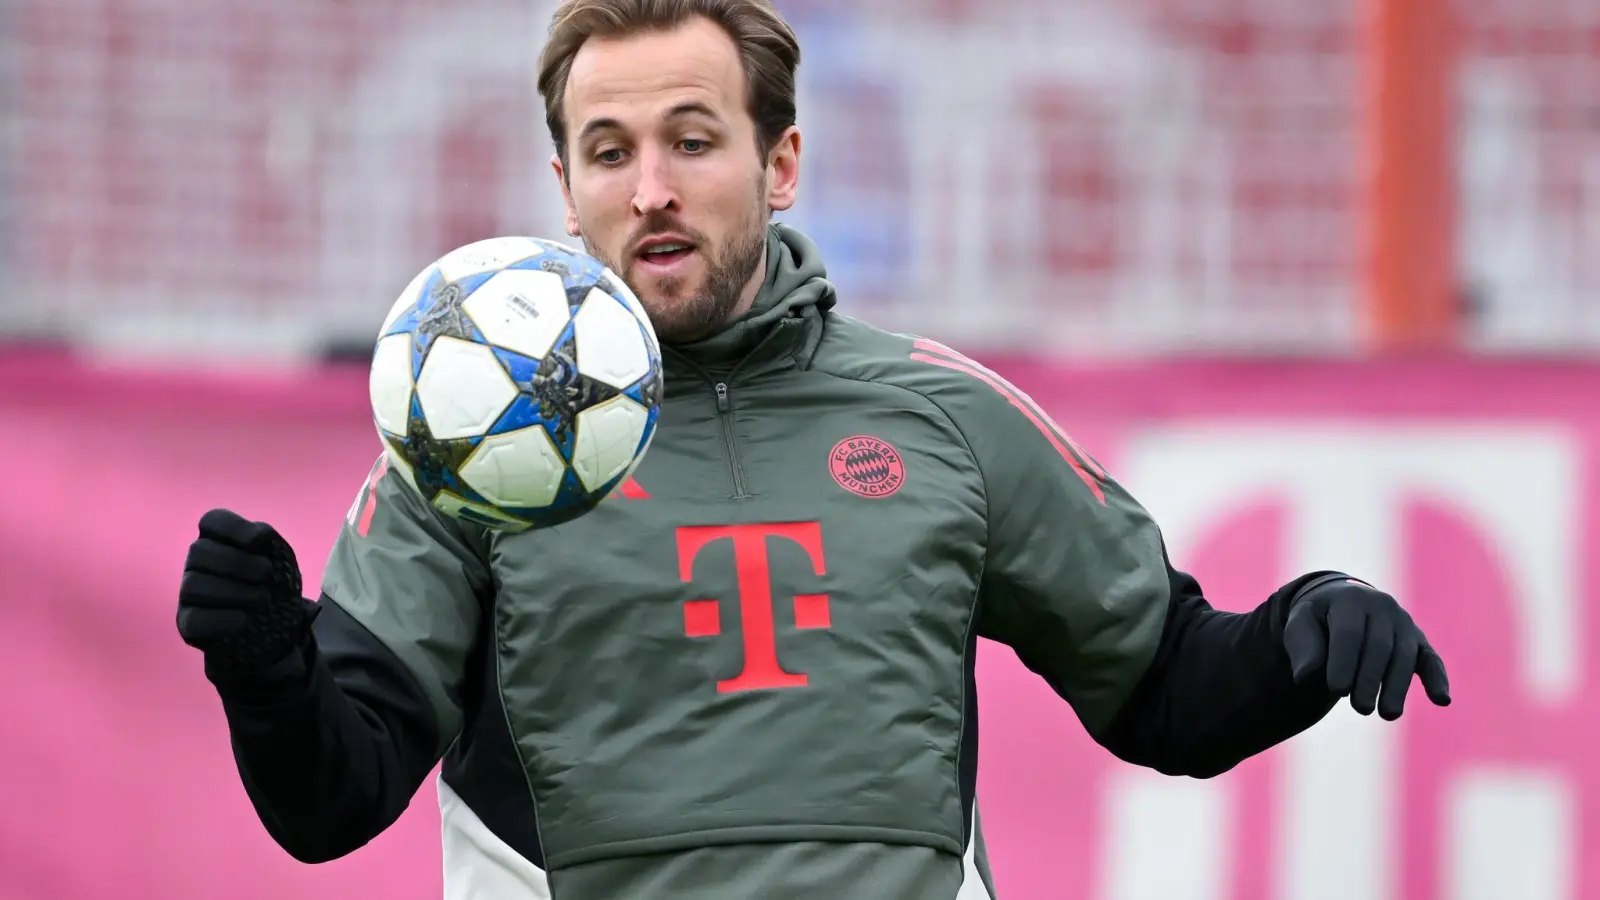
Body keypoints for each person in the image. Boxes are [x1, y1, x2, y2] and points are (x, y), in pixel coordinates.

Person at [175, 0, 1452, 897]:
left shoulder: (941, 414)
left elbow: (1166, 687)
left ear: (777, 163)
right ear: (564, 189)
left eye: (691, 139)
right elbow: (331, 804)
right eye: (608, 152)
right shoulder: (468, 442)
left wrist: (1300, 629)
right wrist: (267, 669)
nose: (649, 189)